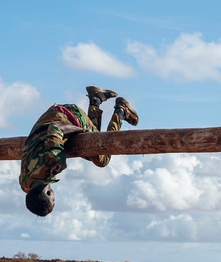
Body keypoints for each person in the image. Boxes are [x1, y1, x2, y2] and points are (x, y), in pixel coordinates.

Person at [19, 86, 139, 216]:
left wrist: (81, 130)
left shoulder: (53, 163)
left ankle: (121, 111)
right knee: (93, 149)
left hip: (67, 115)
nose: (55, 197)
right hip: (49, 116)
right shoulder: (26, 184)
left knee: (102, 159)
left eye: (53, 199)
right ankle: (96, 99)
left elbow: (55, 128)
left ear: (48, 193)